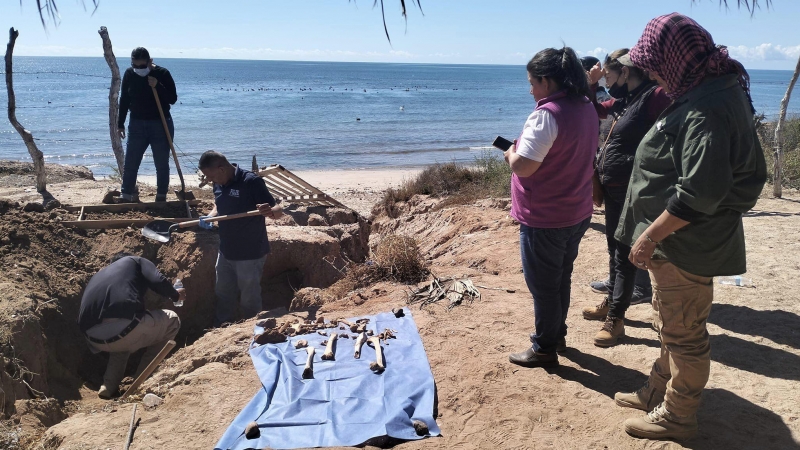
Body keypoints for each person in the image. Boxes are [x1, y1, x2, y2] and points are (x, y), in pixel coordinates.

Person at [613, 13, 766, 440]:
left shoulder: (707, 105)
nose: (651, 74)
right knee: (670, 323)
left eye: (654, 64)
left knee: (685, 333)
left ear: (676, 59)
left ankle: (678, 415)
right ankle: (656, 391)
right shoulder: (705, 88)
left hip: (684, 242)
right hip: (679, 242)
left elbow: (699, 191)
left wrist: (648, 236)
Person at [506, 47, 599, 368]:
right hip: (576, 210)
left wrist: (510, 154)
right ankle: (556, 334)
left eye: (533, 82)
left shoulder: (547, 115)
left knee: (544, 287)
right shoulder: (586, 106)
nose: (530, 89)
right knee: (561, 278)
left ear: (547, 81)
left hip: (545, 216)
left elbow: (524, 167)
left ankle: (545, 347)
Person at [580, 49, 671, 347]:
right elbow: (592, 110)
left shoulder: (655, 96)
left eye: (609, 74)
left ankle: (616, 320)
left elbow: (675, 133)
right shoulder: (625, 100)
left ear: (627, 72)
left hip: (635, 190)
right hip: (614, 188)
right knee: (614, 249)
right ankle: (612, 302)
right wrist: (591, 85)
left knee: (624, 255)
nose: (606, 79)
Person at [78, 253, 184, 399]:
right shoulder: (135, 261)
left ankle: (108, 386)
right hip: (124, 331)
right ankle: (141, 382)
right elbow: (157, 280)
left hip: (92, 338)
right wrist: (176, 295)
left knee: (122, 345)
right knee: (172, 320)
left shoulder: (100, 275)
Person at [197, 151, 284, 326]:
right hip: (226, 250)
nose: (210, 181)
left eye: (210, 176)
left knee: (249, 298)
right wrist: (211, 215)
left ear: (221, 169)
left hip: (250, 253)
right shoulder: (218, 182)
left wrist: (270, 212)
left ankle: (252, 330)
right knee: (223, 293)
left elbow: (278, 210)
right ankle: (221, 327)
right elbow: (219, 203)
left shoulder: (251, 181)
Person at [118, 47, 178, 203]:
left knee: (161, 161)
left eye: (142, 66)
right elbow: (124, 99)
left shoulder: (162, 73)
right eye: (135, 65)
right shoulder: (130, 74)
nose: (138, 69)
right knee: (131, 160)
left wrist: (157, 85)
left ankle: (161, 196)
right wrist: (120, 124)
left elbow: (172, 98)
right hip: (136, 124)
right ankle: (126, 194)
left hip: (160, 123)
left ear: (150, 62)